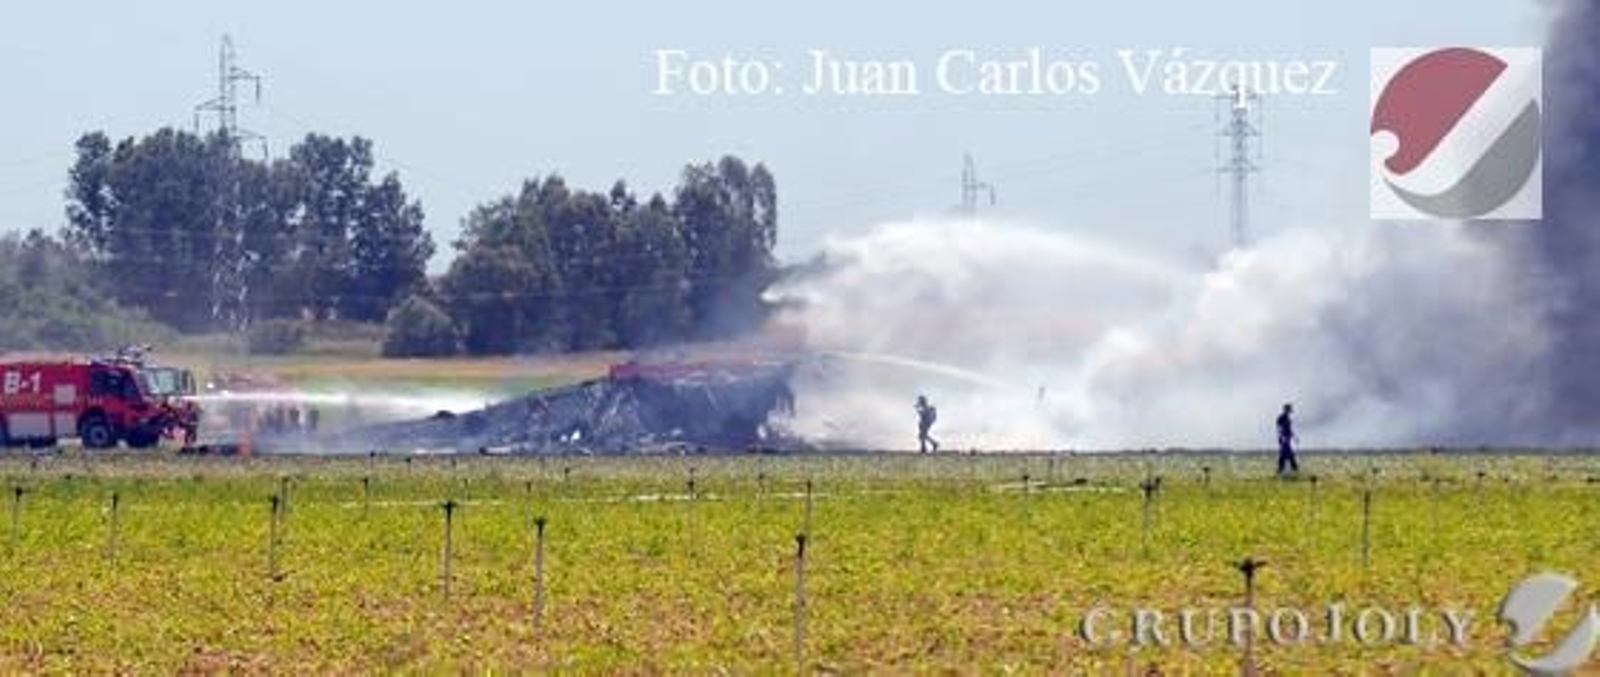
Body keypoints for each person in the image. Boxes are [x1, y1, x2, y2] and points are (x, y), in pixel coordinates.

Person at [1276, 403, 1299, 476]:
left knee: (1286, 454)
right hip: (1283, 438)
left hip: (1287, 438)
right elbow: (1279, 428)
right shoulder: (1281, 417)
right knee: (1287, 454)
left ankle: (1282, 470)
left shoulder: (1288, 419)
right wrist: (1282, 437)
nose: (1290, 412)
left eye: (1290, 410)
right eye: (1289, 410)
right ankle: (1293, 469)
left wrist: (1295, 437)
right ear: (1286, 410)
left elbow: (1289, 429)